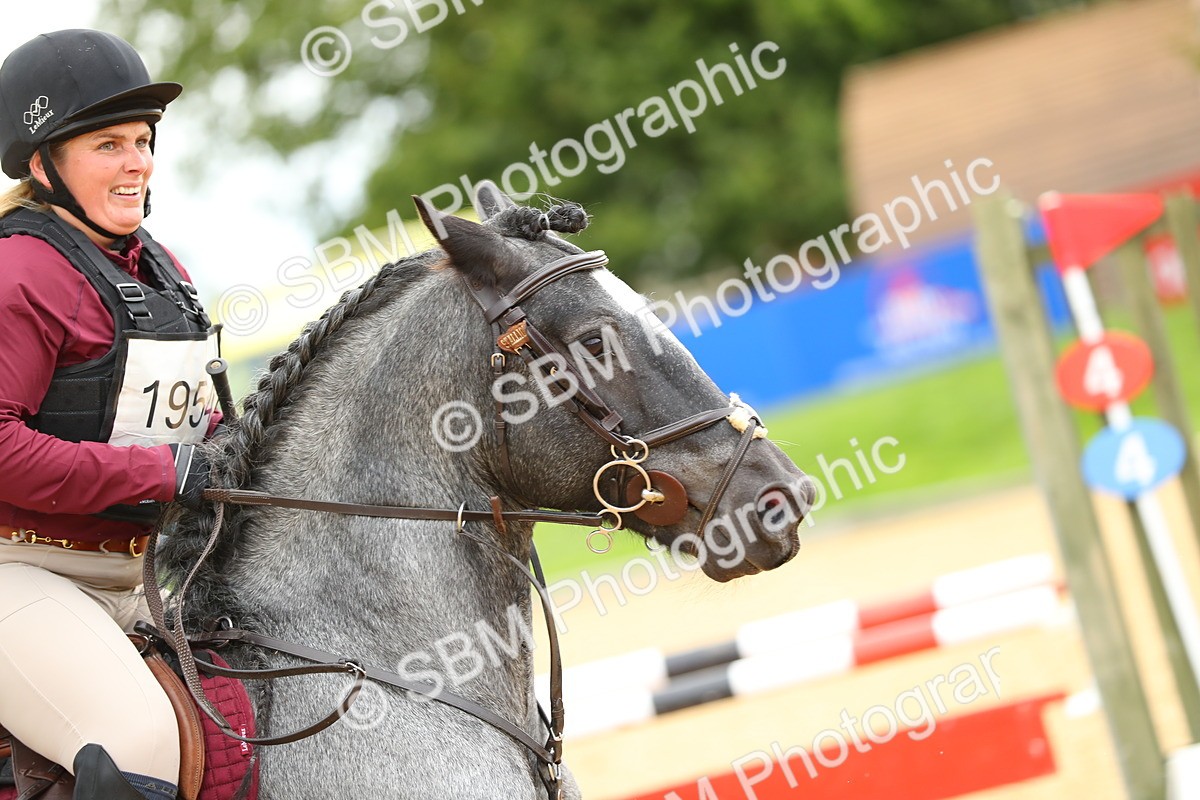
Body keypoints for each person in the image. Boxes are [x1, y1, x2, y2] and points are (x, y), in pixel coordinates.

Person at [0, 29, 215, 800]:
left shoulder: (160, 267)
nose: (139, 164)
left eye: (144, 140)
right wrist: (166, 471)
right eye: (108, 145)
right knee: (137, 740)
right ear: (40, 163)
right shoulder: (18, 271)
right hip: (18, 571)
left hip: (138, 572)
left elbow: (190, 423)